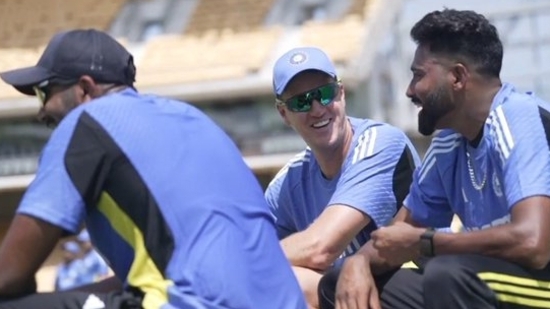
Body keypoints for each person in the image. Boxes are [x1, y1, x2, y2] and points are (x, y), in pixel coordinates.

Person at [0, 29, 306, 309]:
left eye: (44, 91)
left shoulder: (86, 125)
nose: (41, 111)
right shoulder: (190, 117)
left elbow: (9, 275)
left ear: (84, 89)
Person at [318, 9, 550, 309]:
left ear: (457, 76)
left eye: (418, 75)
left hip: (541, 277)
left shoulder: (516, 116)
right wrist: (357, 263)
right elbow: (397, 236)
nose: (410, 90)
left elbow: (534, 244)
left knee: (448, 275)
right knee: (341, 284)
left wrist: (428, 243)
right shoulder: (448, 144)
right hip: (492, 280)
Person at [266, 46, 420, 308]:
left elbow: (320, 248)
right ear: (284, 114)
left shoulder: (380, 143)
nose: (317, 109)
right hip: (354, 296)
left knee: (293, 282)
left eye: (325, 94)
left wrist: (247, 258)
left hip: (422, 290)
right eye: (301, 101)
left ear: (341, 93)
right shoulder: (286, 185)